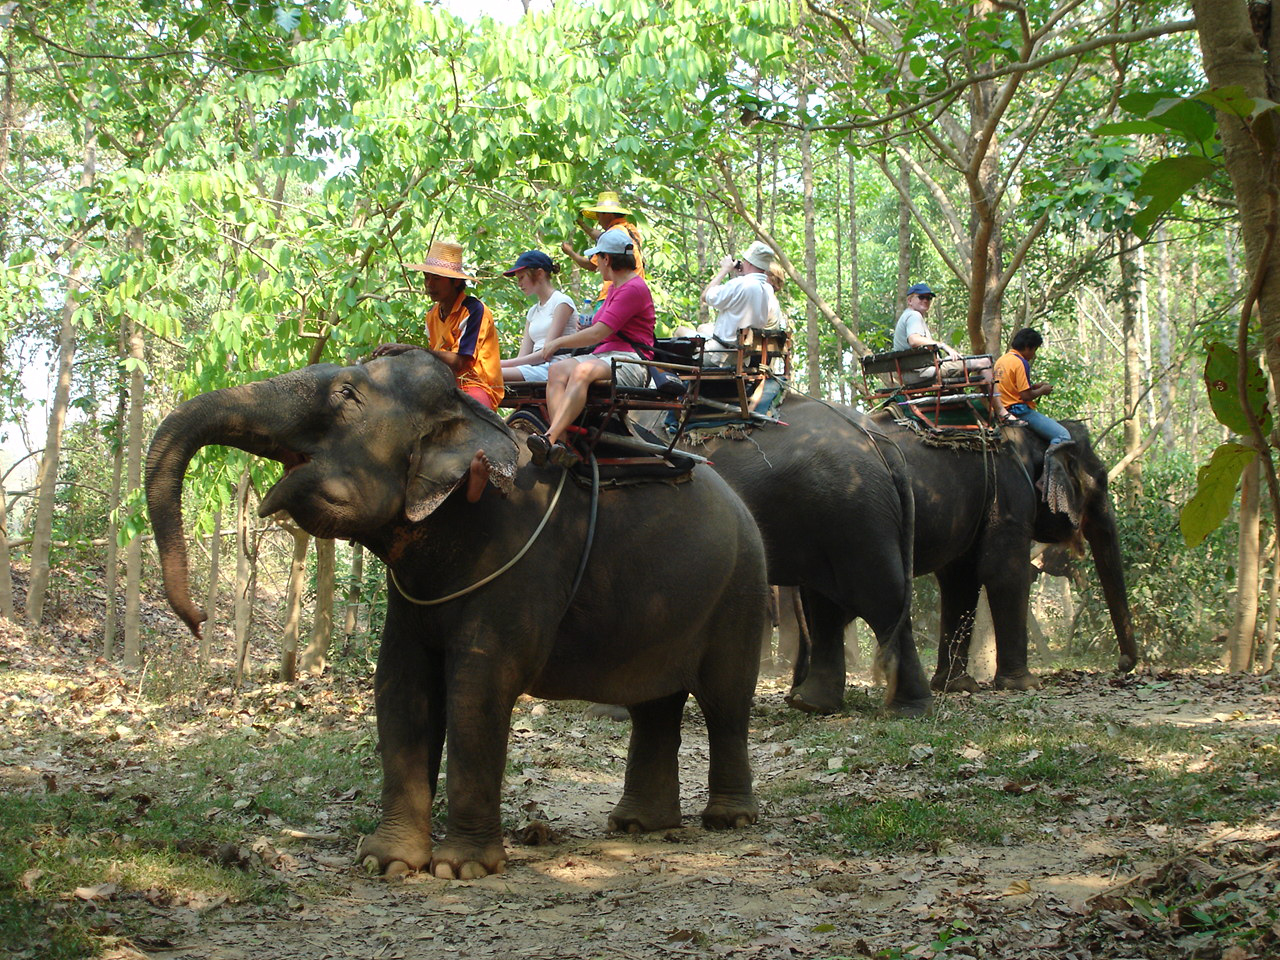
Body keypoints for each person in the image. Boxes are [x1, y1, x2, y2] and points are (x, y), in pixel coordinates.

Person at [527, 228, 655, 468]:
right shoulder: (615, 288)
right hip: (605, 355)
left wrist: (558, 342)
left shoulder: (633, 288)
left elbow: (599, 333)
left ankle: (550, 437)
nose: (596, 265)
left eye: (598, 258)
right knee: (557, 370)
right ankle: (561, 445)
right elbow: (597, 329)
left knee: (582, 371)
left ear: (608, 259)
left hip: (631, 360)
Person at [374, 240, 503, 411]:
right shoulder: (432, 314)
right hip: (442, 382)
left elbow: (458, 362)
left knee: (476, 421)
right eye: (427, 277)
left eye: (436, 278)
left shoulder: (474, 311)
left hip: (475, 385)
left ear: (455, 282)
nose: (429, 284)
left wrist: (408, 349)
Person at [891, 282, 1008, 418]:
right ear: (910, 300)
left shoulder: (907, 316)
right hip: (923, 373)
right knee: (984, 362)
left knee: (963, 361)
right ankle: (1001, 412)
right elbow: (914, 340)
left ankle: (986, 409)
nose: (925, 300)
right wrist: (942, 345)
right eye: (921, 297)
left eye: (929, 298)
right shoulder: (914, 316)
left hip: (911, 373)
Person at [696, 241, 781, 365]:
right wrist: (744, 275)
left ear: (749, 262)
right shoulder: (768, 290)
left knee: (681, 332)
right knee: (703, 328)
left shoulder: (740, 284)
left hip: (719, 355)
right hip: (743, 358)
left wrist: (724, 271)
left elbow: (705, 296)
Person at [500, 251, 578, 383]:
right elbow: (523, 354)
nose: (519, 284)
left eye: (522, 278)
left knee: (491, 373)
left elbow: (546, 353)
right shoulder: (532, 311)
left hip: (556, 366)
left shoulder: (561, 302)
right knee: (485, 373)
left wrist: (502, 364)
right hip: (534, 367)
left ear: (540, 274)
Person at [561, 191, 645, 311]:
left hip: (613, 294)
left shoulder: (614, 233)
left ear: (608, 214)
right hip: (634, 291)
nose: (599, 222)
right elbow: (603, 237)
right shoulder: (629, 229)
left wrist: (570, 253)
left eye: (599, 216)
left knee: (596, 326)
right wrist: (583, 226)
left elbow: (591, 265)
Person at [994, 328, 1073, 447]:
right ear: (1027, 347)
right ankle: (1050, 465)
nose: (1033, 354)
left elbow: (1011, 387)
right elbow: (1025, 395)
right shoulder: (1020, 362)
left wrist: (1035, 386)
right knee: (1063, 436)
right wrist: (1042, 391)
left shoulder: (1001, 360)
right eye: (1034, 350)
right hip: (1018, 411)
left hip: (1000, 408)